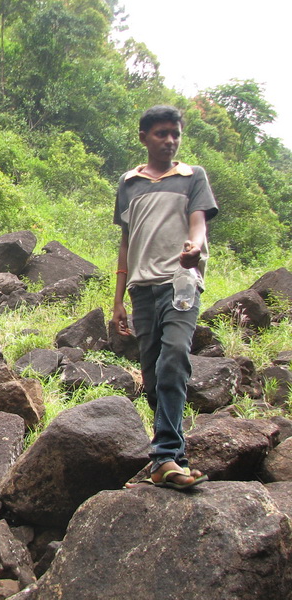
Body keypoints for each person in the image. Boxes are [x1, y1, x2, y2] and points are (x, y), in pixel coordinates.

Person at [112, 105, 218, 490]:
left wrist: (195, 247)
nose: (169, 141)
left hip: (181, 284)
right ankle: (172, 459)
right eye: (161, 134)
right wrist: (117, 299)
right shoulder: (129, 184)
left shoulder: (193, 177)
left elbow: (198, 223)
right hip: (141, 290)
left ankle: (164, 455)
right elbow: (126, 241)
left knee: (175, 356)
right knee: (155, 376)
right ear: (143, 137)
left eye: (175, 133)